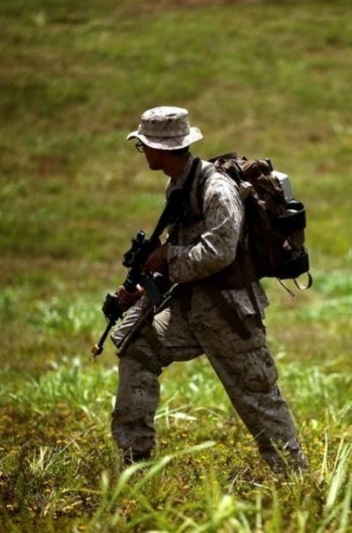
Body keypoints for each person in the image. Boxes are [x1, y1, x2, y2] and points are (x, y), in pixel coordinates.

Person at [109, 106, 307, 473]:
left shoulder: (216, 190)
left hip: (228, 313)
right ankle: (133, 463)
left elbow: (219, 252)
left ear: (162, 148)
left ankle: (295, 477)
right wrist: (146, 287)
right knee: (136, 348)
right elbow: (184, 250)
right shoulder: (178, 185)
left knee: (258, 395)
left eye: (144, 146)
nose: (143, 153)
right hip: (190, 307)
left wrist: (169, 255)